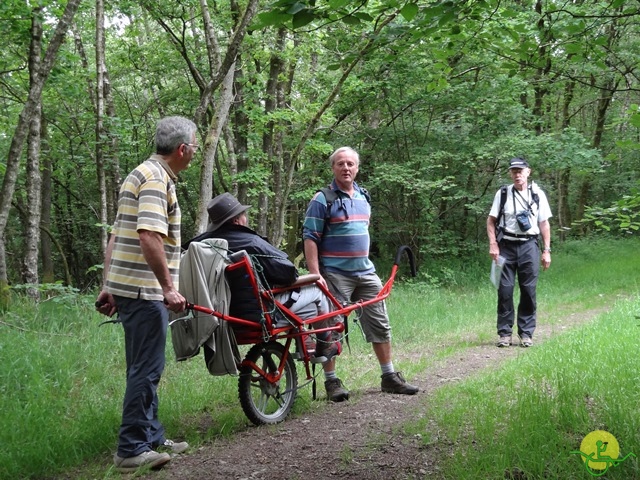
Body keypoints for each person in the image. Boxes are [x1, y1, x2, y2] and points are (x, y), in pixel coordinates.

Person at [95, 116, 197, 472]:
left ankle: (152, 436)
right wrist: (167, 288)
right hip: (144, 291)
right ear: (182, 149)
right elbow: (147, 235)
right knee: (147, 369)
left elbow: (116, 234)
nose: (195, 154)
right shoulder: (156, 179)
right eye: (194, 148)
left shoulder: (141, 173)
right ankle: (131, 449)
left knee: (144, 365)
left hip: (129, 287)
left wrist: (109, 283)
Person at [185, 192, 350, 402]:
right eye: (243, 214)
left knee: (304, 308)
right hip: (261, 312)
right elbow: (288, 273)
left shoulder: (199, 246)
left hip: (224, 315)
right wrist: (312, 276)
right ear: (237, 220)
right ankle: (323, 346)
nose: (245, 217)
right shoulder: (251, 241)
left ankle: (306, 345)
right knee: (318, 291)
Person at [303, 146, 419, 396]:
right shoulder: (322, 199)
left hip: (365, 273)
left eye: (350, 164)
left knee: (380, 323)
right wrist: (316, 275)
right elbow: (310, 237)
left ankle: (389, 376)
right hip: (334, 274)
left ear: (357, 168)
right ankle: (332, 382)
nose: (346, 168)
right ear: (333, 168)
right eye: (340, 164)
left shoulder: (363, 196)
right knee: (329, 326)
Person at [486, 157, 552, 348]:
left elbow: (544, 223)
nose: (517, 174)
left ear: (528, 172)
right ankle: (505, 333)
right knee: (504, 290)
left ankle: (526, 333)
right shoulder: (503, 193)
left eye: (520, 171)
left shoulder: (538, 194)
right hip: (505, 245)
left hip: (529, 246)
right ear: (510, 173)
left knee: (528, 291)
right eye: (514, 171)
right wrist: (493, 244)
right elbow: (491, 220)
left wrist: (546, 250)